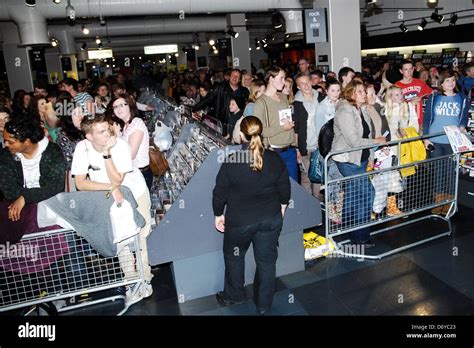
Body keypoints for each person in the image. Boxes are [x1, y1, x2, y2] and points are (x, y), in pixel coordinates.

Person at [212, 116, 291, 315]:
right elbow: (284, 187)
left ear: (241, 135)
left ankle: (233, 295)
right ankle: (264, 305)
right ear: (260, 133)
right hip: (270, 219)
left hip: (240, 223)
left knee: (234, 258)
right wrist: (282, 207)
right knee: (266, 261)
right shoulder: (274, 158)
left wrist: (218, 214)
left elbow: (219, 193)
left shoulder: (232, 161)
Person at [71, 115, 153, 300]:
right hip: (111, 197)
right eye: (101, 132)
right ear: (89, 137)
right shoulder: (82, 148)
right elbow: (80, 183)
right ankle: (131, 280)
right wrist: (109, 188)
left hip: (136, 192)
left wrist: (107, 153)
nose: (108, 133)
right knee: (121, 239)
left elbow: (117, 179)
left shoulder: (120, 146)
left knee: (142, 237)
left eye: (107, 128)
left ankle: (145, 279)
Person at [331, 80, 386, 247]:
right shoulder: (345, 111)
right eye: (361, 91)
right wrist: (376, 141)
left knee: (354, 193)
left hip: (359, 159)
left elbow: (366, 134)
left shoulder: (362, 109)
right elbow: (354, 141)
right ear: (352, 93)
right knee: (367, 193)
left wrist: (370, 156)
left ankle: (348, 225)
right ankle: (360, 236)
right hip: (347, 159)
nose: (365, 94)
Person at [0, 117, 66, 221]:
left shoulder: (52, 152)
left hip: (51, 205)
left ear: (27, 141)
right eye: (5, 141)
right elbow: (9, 190)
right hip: (19, 209)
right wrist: (25, 199)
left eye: (11, 142)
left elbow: (55, 186)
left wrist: (26, 197)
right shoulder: (5, 156)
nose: (6, 145)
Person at [423, 71, 469, 214]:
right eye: (447, 81)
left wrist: (462, 126)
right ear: (441, 83)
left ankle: (448, 203)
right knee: (437, 172)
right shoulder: (434, 98)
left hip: (452, 141)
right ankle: (438, 202)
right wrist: (426, 137)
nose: (451, 83)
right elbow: (427, 118)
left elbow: (464, 118)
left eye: (453, 80)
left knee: (450, 172)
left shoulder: (462, 98)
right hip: (435, 140)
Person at [253, 67, 298, 181]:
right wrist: (283, 127)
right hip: (274, 151)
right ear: (271, 79)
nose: (284, 82)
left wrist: (296, 147)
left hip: (290, 149)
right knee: (277, 188)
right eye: (281, 78)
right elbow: (259, 130)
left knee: (294, 187)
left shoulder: (283, 97)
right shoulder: (261, 103)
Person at [108, 94, 153, 191]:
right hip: (132, 173)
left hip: (141, 174)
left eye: (122, 105)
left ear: (130, 106)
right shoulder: (125, 125)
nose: (118, 109)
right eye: (115, 107)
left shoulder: (137, 123)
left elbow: (131, 154)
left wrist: (117, 134)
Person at [192, 69, 249, 136]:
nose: (234, 78)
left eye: (237, 76)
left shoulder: (244, 91)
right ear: (229, 77)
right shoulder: (221, 88)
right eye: (233, 75)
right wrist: (193, 109)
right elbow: (207, 99)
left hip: (239, 123)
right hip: (223, 123)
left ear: (239, 79)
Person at [293, 73, 320, 198]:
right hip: (305, 145)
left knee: (318, 174)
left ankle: (317, 200)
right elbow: (295, 129)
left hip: (320, 145)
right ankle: (308, 202)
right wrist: (297, 148)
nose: (306, 85)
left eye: (307, 81)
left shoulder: (321, 98)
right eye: (302, 83)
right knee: (306, 177)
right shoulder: (296, 104)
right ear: (298, 87)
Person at [395, 59, 433, 128]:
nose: (409, 72)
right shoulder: (397, 86)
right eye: (406, 69)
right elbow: (394, 106)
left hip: (420, 121)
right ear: (401, 71)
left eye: (411, 69)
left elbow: (432, 94)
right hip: (405, 122)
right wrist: (410, 103)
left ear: (413, 69)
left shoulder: (419, 83)